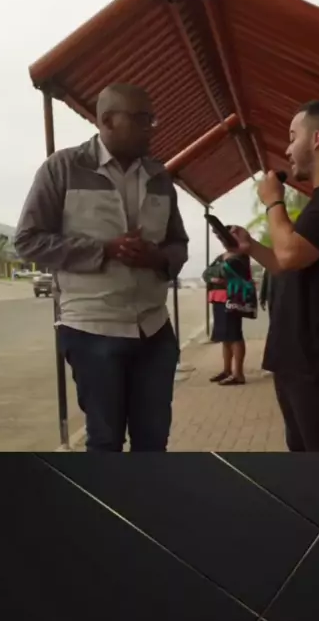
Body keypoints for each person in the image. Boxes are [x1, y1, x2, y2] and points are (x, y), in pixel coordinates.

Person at [15, 83, 189, 453]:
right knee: (105, 442)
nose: (150, 128)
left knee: (154, 441)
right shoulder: (63, 168)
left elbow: (178, 244)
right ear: (107, 120)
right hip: (92, 330)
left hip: (154, 330)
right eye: (141, 119)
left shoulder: (160, 176)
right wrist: (104, 250)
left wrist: (156, 258)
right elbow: (28, 240)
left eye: (151, 119)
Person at [230, 100, 319, 452]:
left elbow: (290, 253)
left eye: (292, 136)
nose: (287, 150)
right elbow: (286, 263)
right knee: (306, 466)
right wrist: (252, 247)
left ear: (316, 139)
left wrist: (273, 201)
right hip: (298, 360)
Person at [202, 231, 251, 385]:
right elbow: (206, 274)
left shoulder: (240, 257)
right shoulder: (222, 257)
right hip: (218, 299)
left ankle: (238, 374)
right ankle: (227, 370)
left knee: (235, 335)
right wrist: (216, 274)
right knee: (225, 337)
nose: (223, 241)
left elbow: (226, 272)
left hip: (233, 300)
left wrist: (217, 273)